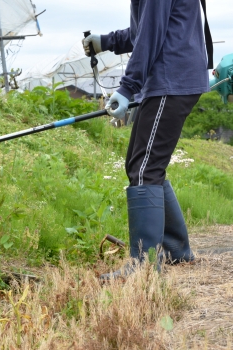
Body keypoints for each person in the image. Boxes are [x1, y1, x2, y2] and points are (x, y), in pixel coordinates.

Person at [83, 0, 213, 281]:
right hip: (171, 78)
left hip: (172, 78)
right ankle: (176, 251)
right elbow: (145, 29)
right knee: (140, 166)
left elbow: (150, 35)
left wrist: (128, 87)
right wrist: (105, 41)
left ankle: (142, 266)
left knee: (145, 170)